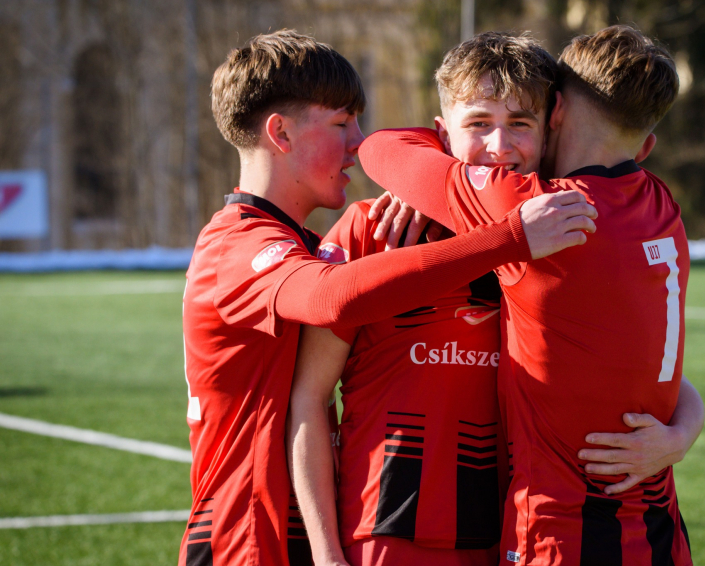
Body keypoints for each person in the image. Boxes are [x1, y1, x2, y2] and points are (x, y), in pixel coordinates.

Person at [179, 28, 598, 566]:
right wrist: (502, 235)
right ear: (280, 133)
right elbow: (332, 300)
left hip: (501, 531)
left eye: (520, 123)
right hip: (249, 538)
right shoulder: (246, 246)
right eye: (340, 124)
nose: (358, 140)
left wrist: (681, 428)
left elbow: (626, 356)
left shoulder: (300, 243)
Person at [290, 31, 703, 566]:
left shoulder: (542, 218)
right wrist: (325, 553)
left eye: (521, 124)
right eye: (479, 124)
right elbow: (309, 398)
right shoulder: (375, 229)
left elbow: (382, 148)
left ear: (552, 122)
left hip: (514, 532)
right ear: (442, 136)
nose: (500, 148)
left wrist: (682, 432)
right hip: (391, 531)